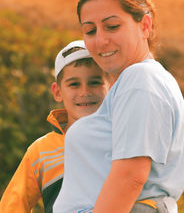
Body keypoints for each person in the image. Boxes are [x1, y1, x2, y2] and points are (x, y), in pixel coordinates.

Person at [53, 0, 184, 213]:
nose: (100, 40)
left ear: (144, 25)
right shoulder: (134, 83)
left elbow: (131, 177)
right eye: (90, 30)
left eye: (112, 26)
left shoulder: (141, 79)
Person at [0, 40, 110, 213]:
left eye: (95, 82)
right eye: (74, 84)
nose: (85, 92)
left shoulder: (124, 138)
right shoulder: (40, 151)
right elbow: (12, 205)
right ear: (57, 92)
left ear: (110, 87)